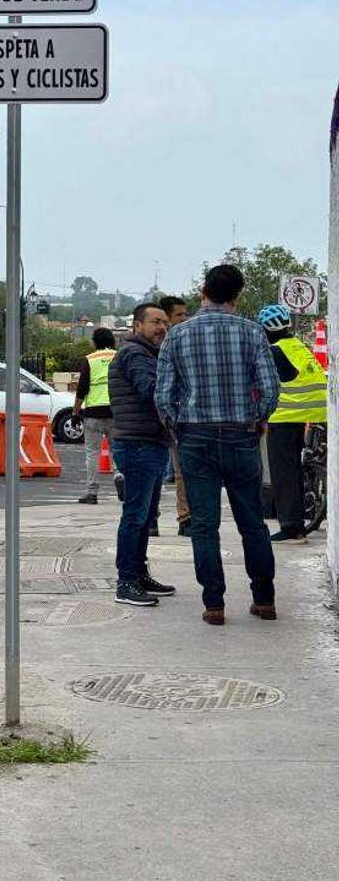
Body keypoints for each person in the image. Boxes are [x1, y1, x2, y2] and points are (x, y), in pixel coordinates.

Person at [155, 264, 279, 625]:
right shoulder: (253, 333)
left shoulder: (177, 335)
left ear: (202, 291)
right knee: (253, 523)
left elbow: (163, 395)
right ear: (237, 296)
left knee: (204, 525)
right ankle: (264, 598)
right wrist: (255, 418)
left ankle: (214, 604)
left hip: (196, 436)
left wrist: (180, 429)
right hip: (241, 434)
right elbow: (271, 389)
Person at [108, 304, 176, 607]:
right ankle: (126, 581)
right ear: (138, 325)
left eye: (164, 322)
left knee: (145, 515)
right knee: (135, 516)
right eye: (155, 322)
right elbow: (151, 390)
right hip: (137, 444)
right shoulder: (135, 354)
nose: (161, 327)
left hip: (150, 442)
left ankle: (138, 572)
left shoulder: (148, 353)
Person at [257, 303, 327, 544]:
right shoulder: (299, 346)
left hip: (286, 416)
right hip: (314, 412)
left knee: (283, 472)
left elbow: (263, 384)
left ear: (265, 329)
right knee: (296, 468)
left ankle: (291, 528)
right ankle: (301, 514)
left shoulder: (274, 351)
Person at [158, 295, 192, 536]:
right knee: (152, 474)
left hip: (175, 418)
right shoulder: (154, 346)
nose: (184, 319)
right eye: (179, 315)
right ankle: (150, 518)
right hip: (154, 420)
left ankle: (185, 518)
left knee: (182, 473)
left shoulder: (183, 342)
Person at [72, 327, 116, 505]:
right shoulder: (120, 356)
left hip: (93, 413)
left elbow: (82, 389)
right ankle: (120, 476)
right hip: (116, 411)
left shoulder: (90, 359)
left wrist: (75, 412)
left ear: (95, 342)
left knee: (92, 452)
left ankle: (91, 492)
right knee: (118, 449)